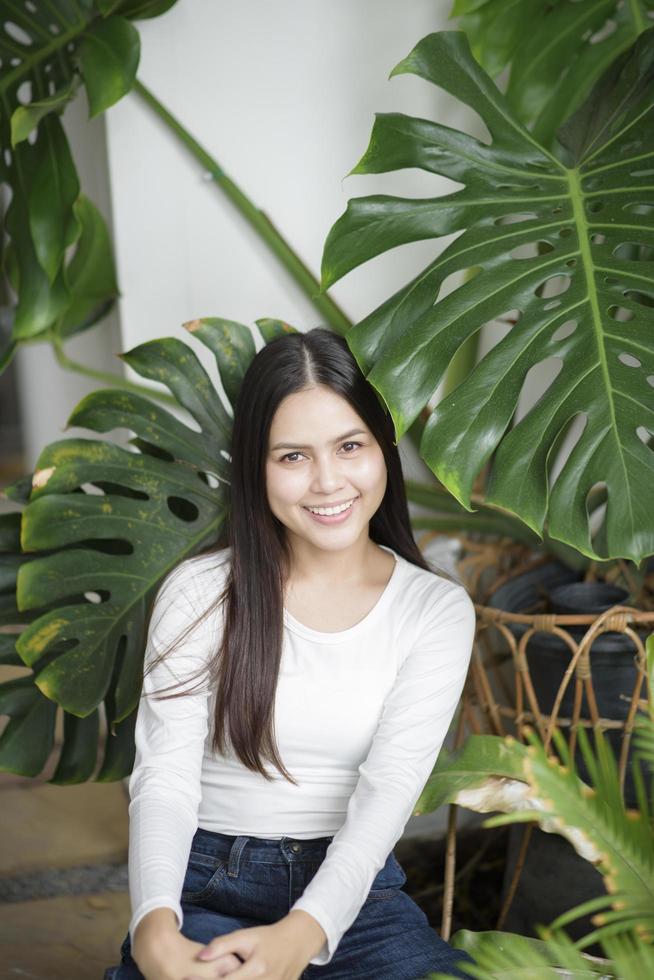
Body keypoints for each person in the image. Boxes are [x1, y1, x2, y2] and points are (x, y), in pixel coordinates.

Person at [105, 327, 476, 980]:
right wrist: (154, 929)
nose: (328, 482)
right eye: (293, 457)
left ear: (381, 450)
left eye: (349, 446)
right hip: (205, 884)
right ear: (257, 466)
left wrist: (302, 934)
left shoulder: (434, 611)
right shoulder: (202, 593)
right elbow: (164, 779)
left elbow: (388, 792)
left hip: (352, 897)